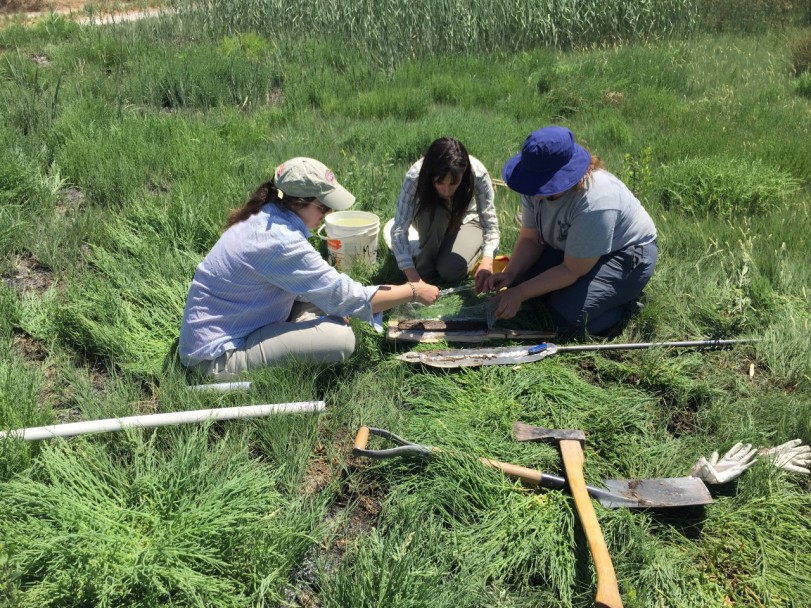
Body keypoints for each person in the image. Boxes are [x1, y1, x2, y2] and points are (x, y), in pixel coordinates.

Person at [179, 157, 440, 378]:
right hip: (215, 357)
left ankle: (302, 325)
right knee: (341, 339)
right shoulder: (279, 241)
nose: (326, 214)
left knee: (330, 304)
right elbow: (349, 297)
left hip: (235, 322)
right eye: (323, 206)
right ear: (297, 202)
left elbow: (321, 288)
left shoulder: (268, 215)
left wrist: (332, 301)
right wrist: (413, 290)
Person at [485, 126, 657, 335]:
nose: (535, 193)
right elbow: (531, 239)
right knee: (526, 282)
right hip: (574, 249)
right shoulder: (532, 183)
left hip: (626, 255)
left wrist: (520, 293)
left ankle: (626, 305)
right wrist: (511, 274)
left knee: (567, 318)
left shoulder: (596, 202)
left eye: (543, 186)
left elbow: (573, 269)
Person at [390, 137, 500, 292]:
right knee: (435, 213)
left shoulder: (478, 175)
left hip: (468, 220)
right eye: (439, 183)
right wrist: (414, 280)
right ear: (430, 176)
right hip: (429, 216)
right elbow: (399, 230)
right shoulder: (415, 176)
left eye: (453, 183)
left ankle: (458, 251)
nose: (446, 191)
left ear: (463, 175)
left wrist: (487, 262)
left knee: (450, 271)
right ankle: (425, 272)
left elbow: (490, 224)